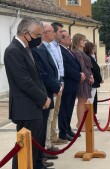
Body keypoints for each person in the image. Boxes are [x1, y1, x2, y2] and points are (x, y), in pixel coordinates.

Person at [4, 17, 51, 169]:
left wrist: (43, 97)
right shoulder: (13, 51)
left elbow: (35, 77)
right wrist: (43, 98)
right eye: (37, 35)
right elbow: (24, 81)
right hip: (25, 107)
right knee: (24, 149)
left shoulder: (26, 49)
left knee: (32, 149)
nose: (39, 39)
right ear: (26, 33)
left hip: (33, 106)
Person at [31, 23, 62, 167]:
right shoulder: (37, 49)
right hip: (43, 93)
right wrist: (56, 85)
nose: (54, 34)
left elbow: (52, 68)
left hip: (49, 91)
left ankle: (41, 155)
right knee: (41, 127)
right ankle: (39, 157)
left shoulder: (44, 48)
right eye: (51, 31)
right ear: (44, 33)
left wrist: (56, 85)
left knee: (45, 124)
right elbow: (42, 74)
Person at [58, 30, 85, 141]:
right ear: (62, 39)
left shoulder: (68, 50)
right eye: (68, 37)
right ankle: (63, 131)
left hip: (73, 84)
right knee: (64, 109)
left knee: (69, 109)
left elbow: (74, 65)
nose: (70, 38)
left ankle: (68, 129)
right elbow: (66, 69)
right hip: (68, 83)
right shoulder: (61, 51)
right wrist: (78, 75)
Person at [72, 33, 94, 131]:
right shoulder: (77, 52)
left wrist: (91, 76)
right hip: (82, 79)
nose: (85, 42)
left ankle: (81, 123)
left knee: (84, 101)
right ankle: (80, 124)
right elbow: (82, 66)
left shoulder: (81, 51)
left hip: (86, 78)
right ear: (78, 41)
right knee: (81, 101)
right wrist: (89, 77)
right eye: (83, 40)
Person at [49, 22, 65, 145]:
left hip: (60, 82)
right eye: (60, 32)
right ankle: (52, 138)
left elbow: (59, 66)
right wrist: (56, 84)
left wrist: (61, 81)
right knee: (52, 113)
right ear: (53, 33)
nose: (62, 34)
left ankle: (54, 136)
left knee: (56, 112)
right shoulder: (50, 47)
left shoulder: (57, 46)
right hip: (54, 84)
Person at [84, 41, 104, 114]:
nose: (94, 50)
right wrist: (100, 79)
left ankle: (92, 116)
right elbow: (95, 70)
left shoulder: (91, 57)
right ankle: (90, 117)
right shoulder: (89, 57)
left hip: (93, 81)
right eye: (93, 48)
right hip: (92, 81)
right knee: (91, 100)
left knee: (93, 99)